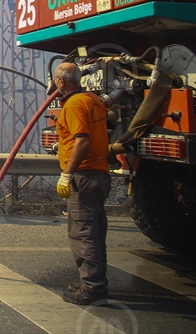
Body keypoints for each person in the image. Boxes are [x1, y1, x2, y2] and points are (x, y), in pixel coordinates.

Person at [53, 62, 112, 304]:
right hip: (100, 174)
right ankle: (94, 281)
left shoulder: (75, 104)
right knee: (95, 233)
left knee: (83, 234)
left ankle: (93, 289)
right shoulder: (93, 99)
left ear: (60, 81)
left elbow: (82, 140)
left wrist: (67, 174)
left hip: (84, 176)